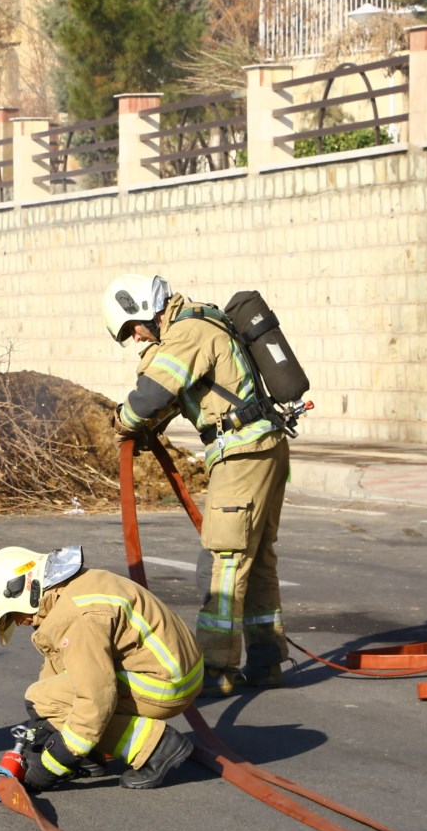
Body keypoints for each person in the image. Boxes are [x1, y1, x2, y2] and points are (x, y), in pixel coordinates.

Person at [101, 273, 289, 694]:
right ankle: (266, 660)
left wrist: (123, 420)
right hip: (263, 446)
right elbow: (185, 394)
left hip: (242, 453)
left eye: (133, 329)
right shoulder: (200, 324)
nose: (135, 339)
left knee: (224, 560)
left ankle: (217, 669)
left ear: (144, 309)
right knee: (254, 559)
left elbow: (149, 396)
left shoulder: (186, 332)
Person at [0, 544, 202, 791]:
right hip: (171, 670)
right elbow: (60, 672)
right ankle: (90, 754)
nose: (18, 623)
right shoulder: (70, 590)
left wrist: (53, 763)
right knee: (46, 700)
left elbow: (95, 695)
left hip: (165, 683)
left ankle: (157, 746)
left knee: (47, 699)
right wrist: (42, 731)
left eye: (13, 615)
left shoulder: (75, 615)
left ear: (22, 589)